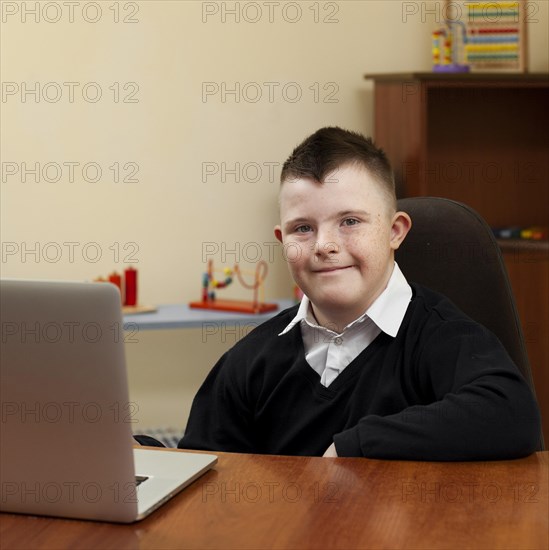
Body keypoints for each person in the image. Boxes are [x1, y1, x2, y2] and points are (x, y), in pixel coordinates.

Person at [178, 127, 541, 460]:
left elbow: (511, 413)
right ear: (282, 241)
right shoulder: (250, 361)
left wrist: (355, 446)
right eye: (302, 228)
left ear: (395, 232)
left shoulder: (442, 337)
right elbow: (201, 473)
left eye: (349, 222)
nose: (324, 245)